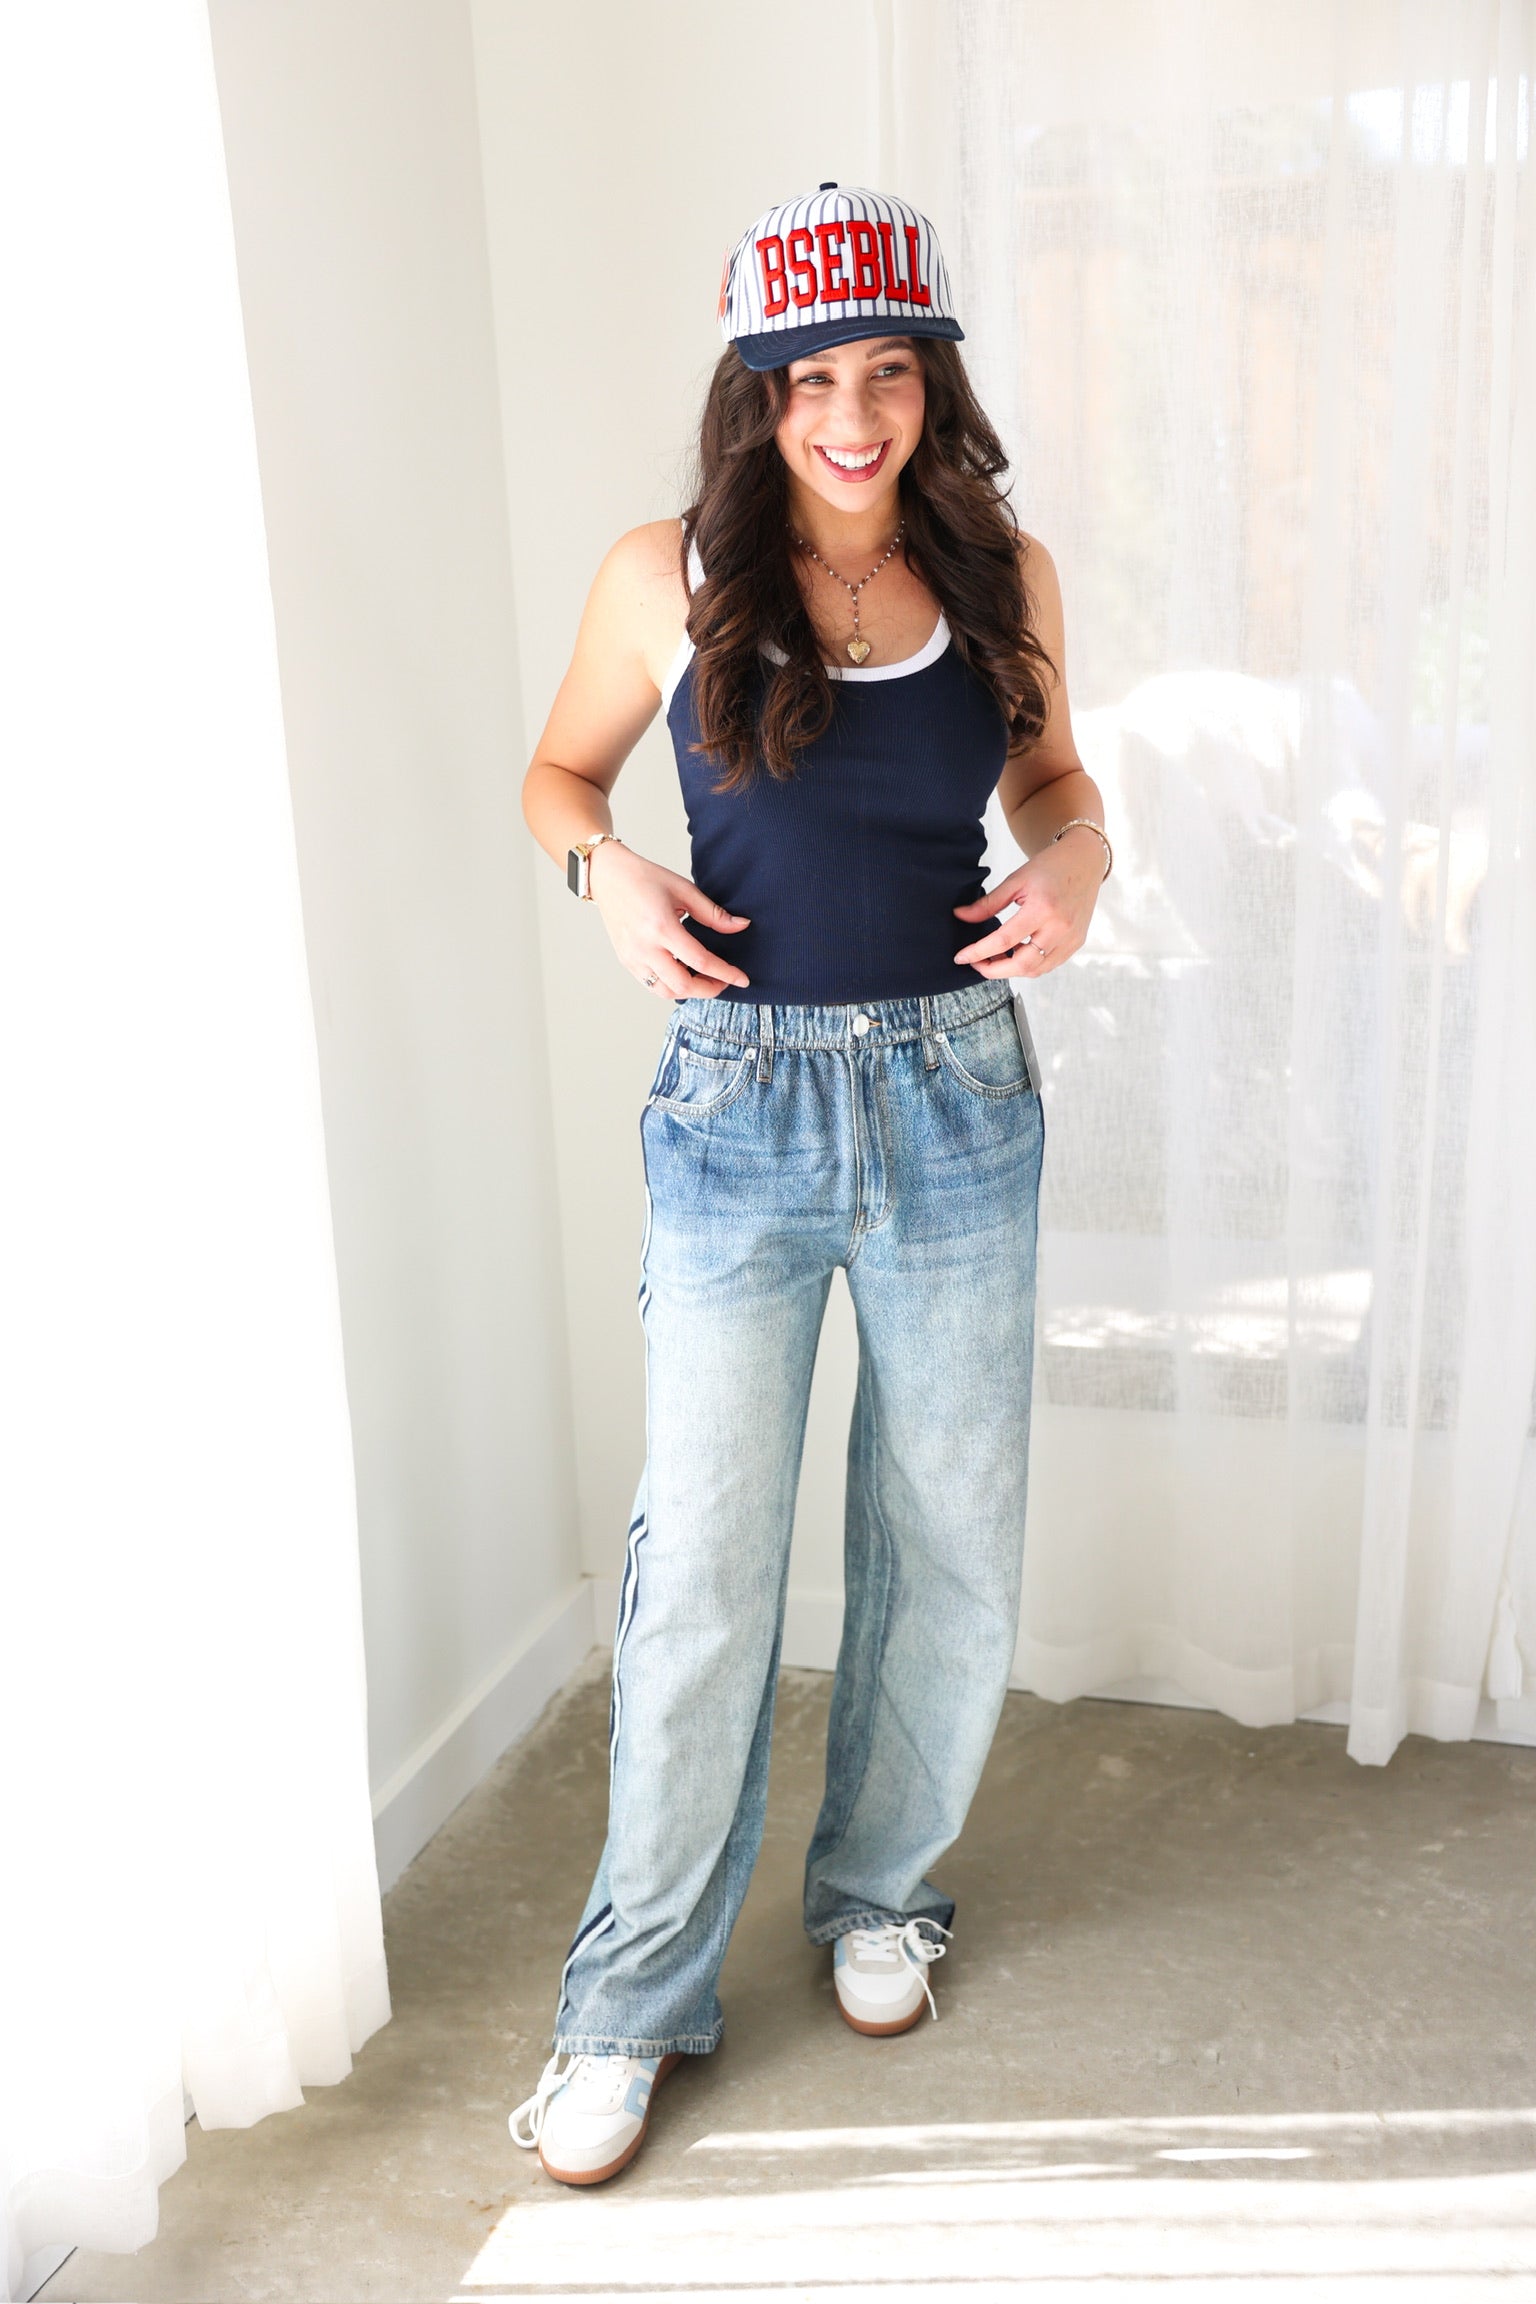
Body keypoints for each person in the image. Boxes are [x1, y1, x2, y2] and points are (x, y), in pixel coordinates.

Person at [510, 184, 1110, 2187]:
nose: (851, 418)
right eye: (809, 381)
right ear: (755, 394)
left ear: (932, 384)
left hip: (958, 1094)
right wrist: (606, 873)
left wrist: (1078, 865)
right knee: (703, 1569)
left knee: (947, 1534)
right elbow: (555, 778)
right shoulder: (665, 573)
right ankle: (628, 2005)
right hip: (739, 1112)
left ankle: (877, 1892)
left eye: (886, 375)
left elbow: (1055, 785)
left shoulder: (1001, 568)